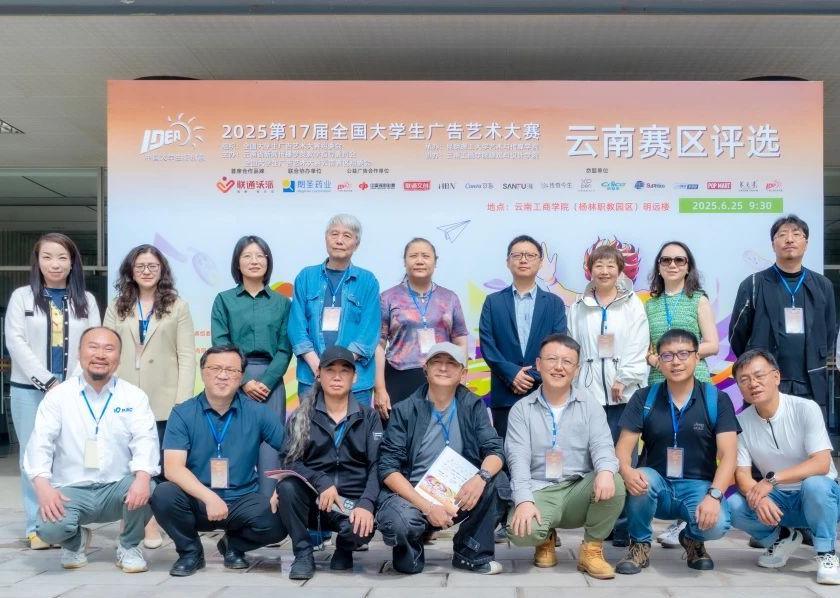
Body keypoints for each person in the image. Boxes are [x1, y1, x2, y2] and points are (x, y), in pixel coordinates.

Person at [23, 326, 158, 572]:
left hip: (117, 488)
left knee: (149, 486)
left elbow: (145, 440)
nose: (100, 355)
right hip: (71, 489)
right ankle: (75, 542)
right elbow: (40, 444)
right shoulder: (58, 396)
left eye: (109, 349)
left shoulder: (134, 396)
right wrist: (43, 487)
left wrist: (142, 478)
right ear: (79, 353)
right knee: (48, 528)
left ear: (119, 357)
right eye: (93, 347)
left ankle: (128, 546)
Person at [151, 344, 287, 577]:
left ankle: (233, 546)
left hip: (242, 500)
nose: (223, 375)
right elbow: (173, 468)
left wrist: (283, 485)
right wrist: (209, 497)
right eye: (215, 368)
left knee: (280, 519)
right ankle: (190, 552)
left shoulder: (259, 412)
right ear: (203, 372)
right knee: (163, 494)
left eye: (231, 370)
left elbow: (293, 451)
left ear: (241, 377)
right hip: (197, 500)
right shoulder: (183, 413)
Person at [614, 328, 739, 574]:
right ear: (658, 361)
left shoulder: (716, 399)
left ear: (697, 357)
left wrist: (714, 497)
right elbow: (622, 450)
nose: (676, 362)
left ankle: (692, 539)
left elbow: (728, 456)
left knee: (719, 524)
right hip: (657, 484)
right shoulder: (644, 398)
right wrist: (627, 471)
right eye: (667, 355)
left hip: (698, 486)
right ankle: (639, 544)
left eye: (683, 354)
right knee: (640, 476)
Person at [5, 232, 101, 549]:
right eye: (47, 257)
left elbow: (93, 343)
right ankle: (37, 526)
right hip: (29, 390)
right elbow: (15, 342)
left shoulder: (86, 301)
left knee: (69, 454)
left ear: (73, 262)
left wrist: (71, 383)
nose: (55, 264)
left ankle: (65, 523)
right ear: (37, 261)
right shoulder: (22, 297)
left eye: (62, 257)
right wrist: (47, 381)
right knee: (33, 455)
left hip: (75, 389)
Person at [376, 342, 505, 575]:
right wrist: (427, 507)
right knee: (401, 524)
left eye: (451, 363)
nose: (443, 368)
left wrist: (480, 478)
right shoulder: (405, 409)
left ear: (463, 373)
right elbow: (388, 468)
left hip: (458, 492)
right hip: (412, 496)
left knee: (499, 482)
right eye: (437, 362)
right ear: (425, 370)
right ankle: (411, 550)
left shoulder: (472, 405)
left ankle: (470, 553)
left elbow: (495, 450)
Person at [505, 333, 625, 579]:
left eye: (567, 361)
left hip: (577, 488)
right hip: (539, 489)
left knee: (614, 481)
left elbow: (603, 446)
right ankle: (545, 539)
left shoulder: (590, 405)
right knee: (521, 533)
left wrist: (605, 472)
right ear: (539, 364)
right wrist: (524, 501)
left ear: (577, 370)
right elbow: (517, 461)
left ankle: (591, 550)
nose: (559, 367)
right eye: (552, 359)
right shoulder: (521, 410)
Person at [104, 243, 196, 548]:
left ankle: (153, 521)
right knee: (125, 461)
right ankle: (130, 518)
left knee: (158, 463)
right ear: (131, 271)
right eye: (140, 266)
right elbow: (107, 349)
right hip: (124, 396)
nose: (146, 271)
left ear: (162, 271)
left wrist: (182, 401)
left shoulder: (177, 306)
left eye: (152, 266)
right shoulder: (117, 306)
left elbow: (186, 356)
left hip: (165, 399)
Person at [726, 349, 839, 585]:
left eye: (759, 376)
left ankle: (826, 553)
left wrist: (771, 480)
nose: (753, 384)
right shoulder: (741, 423)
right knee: (734, 506)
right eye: (744, 380)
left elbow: (821, 463)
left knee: (816, 485)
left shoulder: (805, 408)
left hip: (819, 500)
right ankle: (783, 537)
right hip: (778, 502)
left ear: (776, 376)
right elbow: (742, 474)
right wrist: (758, 497)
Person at [274, 345, 382, 580]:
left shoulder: (369, 417)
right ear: (318, 375)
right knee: (287, 487)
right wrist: (321, 480)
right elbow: (289, 461)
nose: (337, 376)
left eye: (344, 371)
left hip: (350, 502)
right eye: (330, 370)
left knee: (361, 530)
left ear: (354, 377)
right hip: (314, 500)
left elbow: (377, 466)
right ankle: (303, 553)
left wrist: (366, 504)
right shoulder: (301, 415)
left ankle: (344, 548)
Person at [644, 241, 719, 548]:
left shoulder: (698, 299)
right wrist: (656, 360)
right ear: (658, 266)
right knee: (663, 445)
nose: (673, 265)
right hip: (659, 380)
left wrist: (681, 355)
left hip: (694, 380)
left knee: (696, 449)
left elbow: (712, 343)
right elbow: (646, 347)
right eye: (666, 260)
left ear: (688, 267)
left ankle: (688, 522)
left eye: (679, 260)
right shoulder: (649, 304)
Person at [729, 214, 836, 421]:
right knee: (765, 436)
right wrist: (755, 362)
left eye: (796, 234)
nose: (789, 239)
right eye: (782, 234)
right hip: (765, 382)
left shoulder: (823, 285)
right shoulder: (754, 284)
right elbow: (737, 334)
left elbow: (829, 331)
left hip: (810, 381)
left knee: (810, 436)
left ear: (806, 243)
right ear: (773, 244)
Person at [211, 235, 291, 496]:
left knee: (271, 447)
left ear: (268, 261)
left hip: (271, 381)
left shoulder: (282, 303)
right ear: (238, 262)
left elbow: (285, 347)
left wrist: (266, 382)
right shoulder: (224, 300)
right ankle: (231, 506)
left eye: (259, 256)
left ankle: (269, 507)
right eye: (247, 256)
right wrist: (243, 381)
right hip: (233, 380)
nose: (254, 261)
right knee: (234, 442)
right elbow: (220, 343)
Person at [479, 234, 567, 438]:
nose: (523, 260)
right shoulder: (493, 302)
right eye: (517, 255)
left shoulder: (554, 303)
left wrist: (531, 376)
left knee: (545, 451)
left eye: (530, 255)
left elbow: (558, 346)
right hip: (505, 393)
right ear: (508, 262)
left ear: (540, 262)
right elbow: (488, 345)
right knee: (507, 451)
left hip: (543, 392)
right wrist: (512, 374)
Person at [289, 214, 380, 403]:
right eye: (334, 234)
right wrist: (318, 366)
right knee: (309, 423)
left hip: (356, 381)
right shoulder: (306, 277)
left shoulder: (368, 281)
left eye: (347, 236)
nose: (339, 240)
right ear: (326, 238)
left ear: (356, 244)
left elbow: (369, 330)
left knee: (356, 423)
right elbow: (296, 327)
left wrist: (340, 368)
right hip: (311, 376)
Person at [375, 237, 468, 418]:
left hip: (443, 376)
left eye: (425, 256)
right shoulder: (388, 297)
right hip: (399, 377)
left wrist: (461, 380)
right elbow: (379, 345)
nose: (419, 261)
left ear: (435, 262)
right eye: (413, 256)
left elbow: (460, 340)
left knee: (440, 430)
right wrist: (379, 388)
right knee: (400, 431)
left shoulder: (449, 298)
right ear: (405, 262)